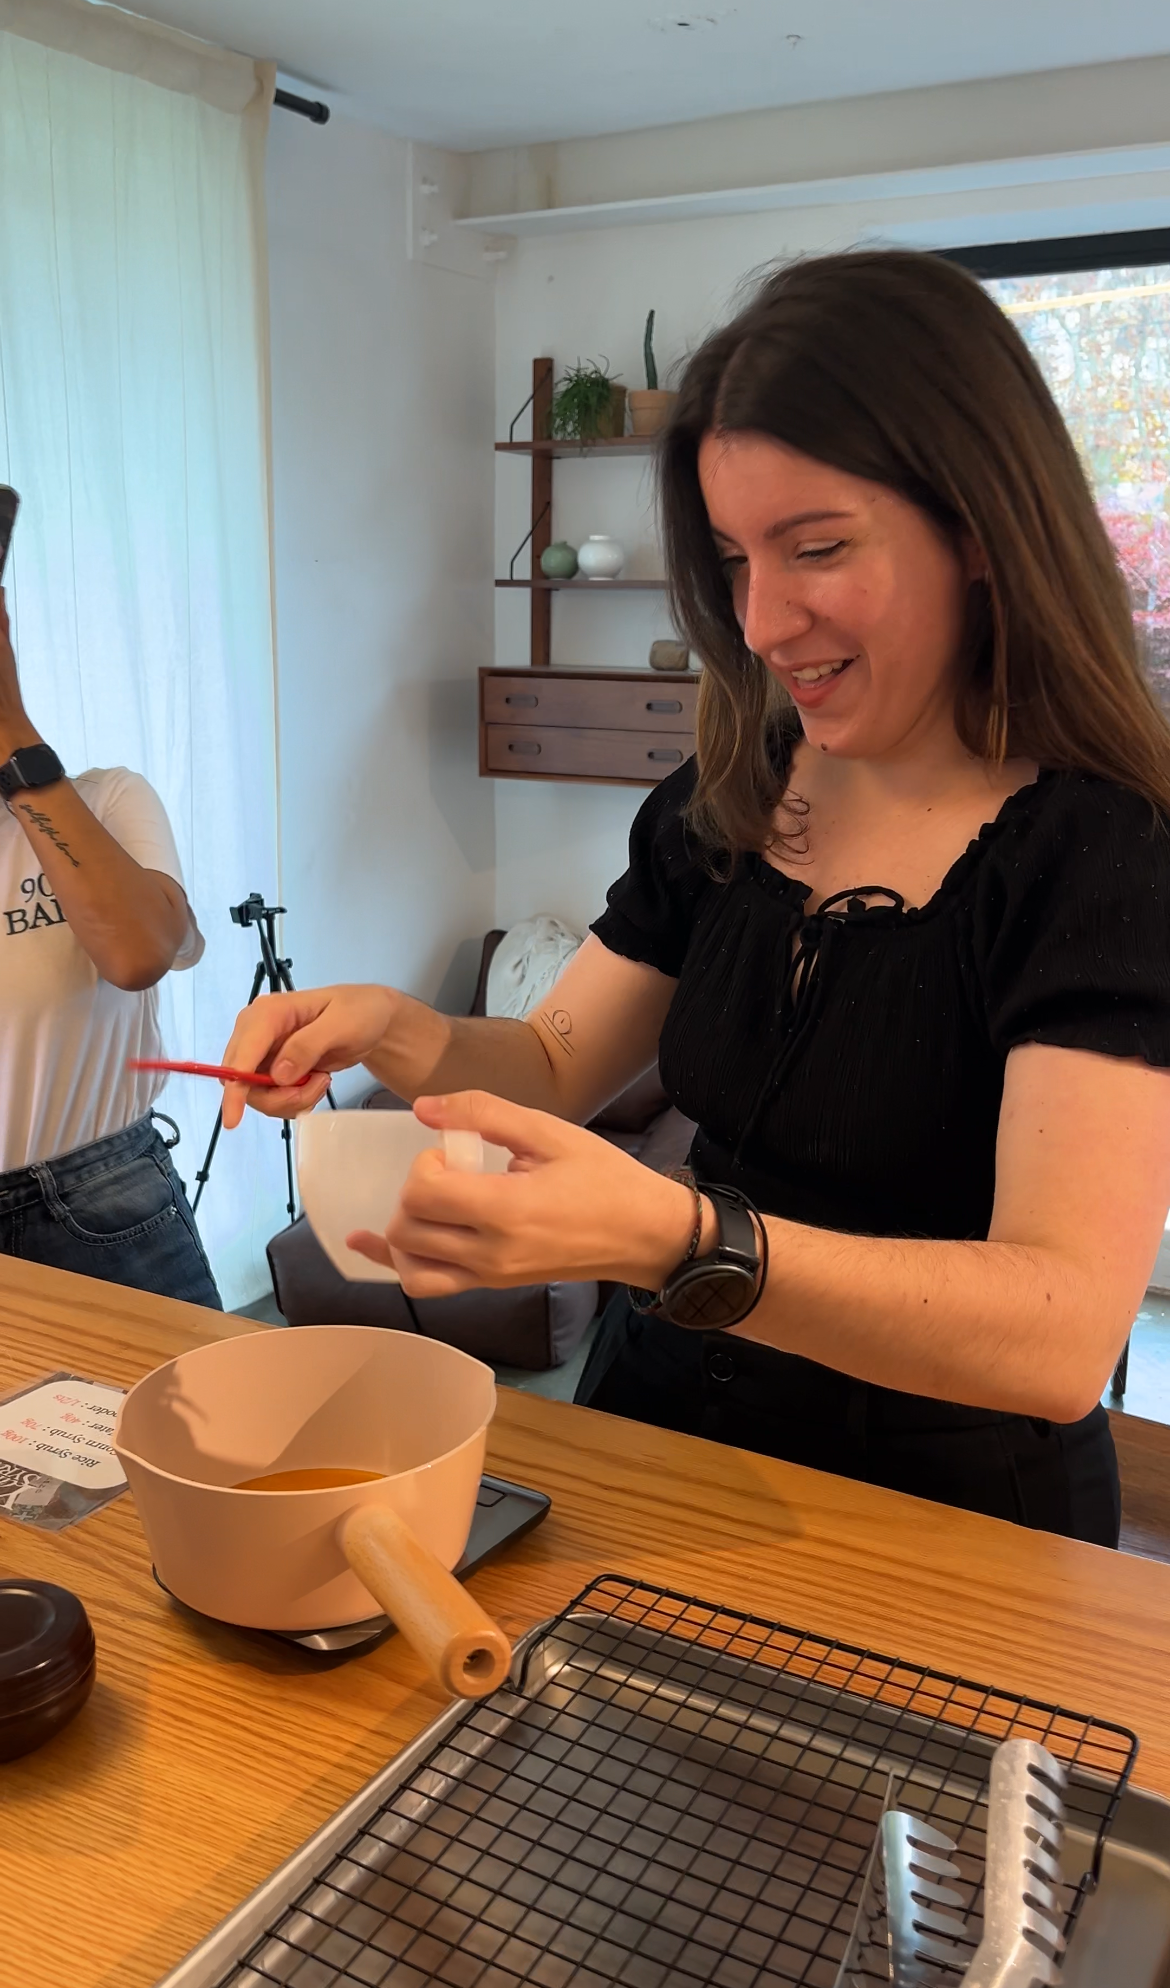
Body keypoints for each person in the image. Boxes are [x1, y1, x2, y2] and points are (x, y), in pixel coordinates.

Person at [220, 250, 1170, 1545]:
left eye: (815, 547)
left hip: (945, 1518)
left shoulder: (1101, 850)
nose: (763, 620)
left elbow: (1060, 1331)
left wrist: (679, 1239)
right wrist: (395, 1031)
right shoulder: (728, 794)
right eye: (730, 560)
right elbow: (553, 1061)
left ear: (981, 529)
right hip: (658, 1441)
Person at [0, 586, 221, 1307]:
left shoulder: (107, 800)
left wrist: (11, 731)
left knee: (190, 1421)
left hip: (96, 1201)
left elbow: (137, 953)